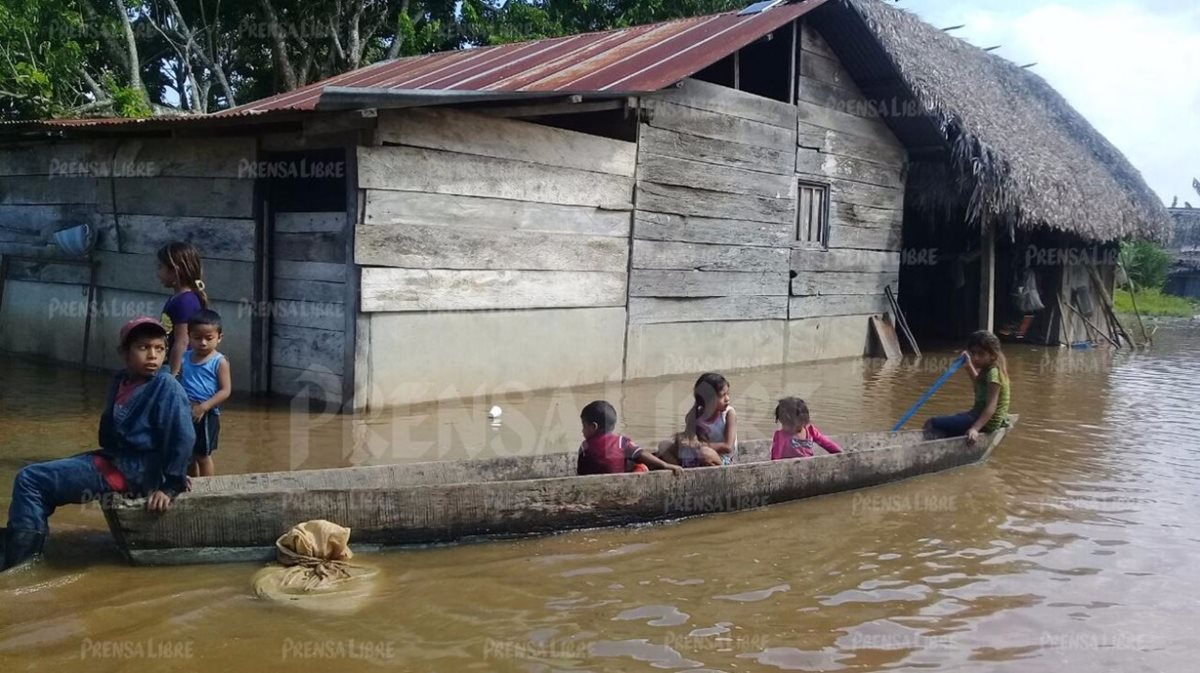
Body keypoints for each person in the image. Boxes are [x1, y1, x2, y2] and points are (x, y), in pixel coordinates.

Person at [2, 317, 194, 571]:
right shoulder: (122, 380)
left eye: (159, 349)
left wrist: (171, 483)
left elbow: (183, 436)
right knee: (42, 478)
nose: (152, 355)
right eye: (143, 347)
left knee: (30, 479)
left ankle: (22, 559)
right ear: (124, 353)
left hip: (131, 471)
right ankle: (23, 535)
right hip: (114, 458)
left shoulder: (166, 386)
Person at [924, 330, 1012, 444]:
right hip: (977, 415)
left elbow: (991, 407)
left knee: (931, 423)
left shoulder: (993, 373)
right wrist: (968, 366)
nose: (975, 357)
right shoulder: (988, 369)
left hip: (984, 421)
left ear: (993, 356)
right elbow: (979, 386)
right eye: (973, 353)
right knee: (956, 418)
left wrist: (975, 428)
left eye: (981, 354)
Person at [181, 309, 232, 478]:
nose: (203, 343)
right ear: (189, 337)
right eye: (197, 338)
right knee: (187, 455)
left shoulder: (219, 362)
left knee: (202, 456)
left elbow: (225, 391)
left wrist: (204, 407)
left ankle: (208, 489)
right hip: (186, 412)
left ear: (219, 338)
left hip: (207, 415)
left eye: (208, 338)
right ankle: (192, 488)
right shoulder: (184, 358)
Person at [577, 401, 682, 475]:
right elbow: (641, 454)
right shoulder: (621, 442)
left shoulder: (584, 446)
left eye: (584, 426)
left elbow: (581, 471)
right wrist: (665, 465)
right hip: (620, 482)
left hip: (594, 483)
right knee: (640, 466)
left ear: (594, 427)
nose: (582, 431)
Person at [157, 242, 209, 378]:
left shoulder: (185, 301)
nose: (158, 273)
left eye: (161, 267)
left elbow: (182, 341)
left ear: (175, 271)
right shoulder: (177, 298)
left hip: (181, 370)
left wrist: (174, 375)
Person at [771, 397, 842, 460]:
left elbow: (826, 443)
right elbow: (776, 458)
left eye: (789, 425)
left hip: (808, 465)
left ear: (803, 422)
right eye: (783, 423)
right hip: (789, 468)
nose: (785, 427)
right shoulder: (781, 436)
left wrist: (840, 453)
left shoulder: (810, 431)